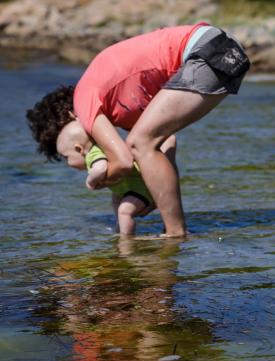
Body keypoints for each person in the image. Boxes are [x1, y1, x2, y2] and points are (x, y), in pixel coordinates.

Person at [27, 23, 250, 237]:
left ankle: (175, 235)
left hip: (205, 52)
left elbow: (123, 162)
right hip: (223, 50)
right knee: (144, 141)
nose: (73, 160)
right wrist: (155, 192)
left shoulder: (82, 102)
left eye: (67, 154)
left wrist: (99, 182)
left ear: (69, 117)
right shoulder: (118, 106)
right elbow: (166, 142)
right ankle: (174, 231)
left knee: (140, 142)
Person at [55, 116, 177, 235]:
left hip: (141, 188)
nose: (67, 162)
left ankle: (126, 239)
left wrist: (90, 181)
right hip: (130, 187)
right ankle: (121, 228)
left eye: (67, 157)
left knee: (124, 211)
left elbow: (100, 169)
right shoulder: (103, 148)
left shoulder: (93, 154)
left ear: (79, 149)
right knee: (116, 200)